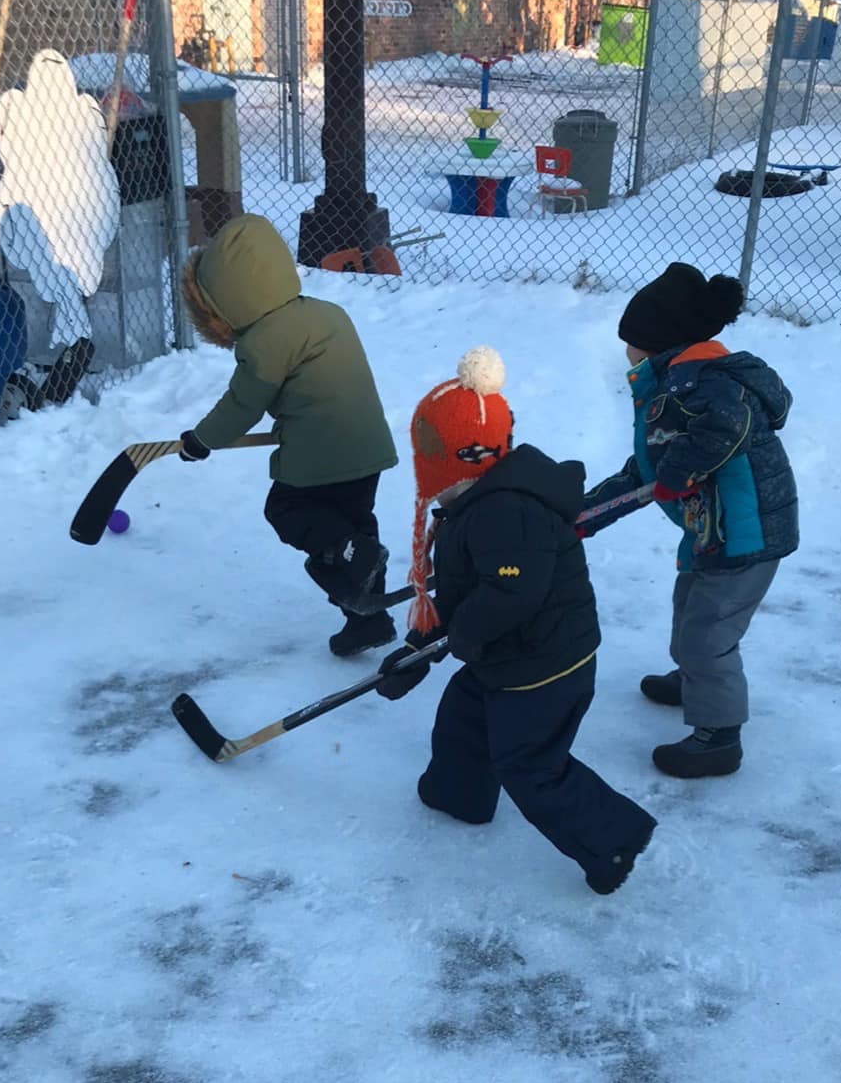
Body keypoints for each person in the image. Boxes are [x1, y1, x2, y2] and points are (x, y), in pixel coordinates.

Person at [375, 348, 656, 896]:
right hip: (510, 653)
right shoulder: (474, 502)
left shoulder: (506, 512)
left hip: (546, 664)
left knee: (530, 764)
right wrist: (418, 647)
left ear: (462, 460)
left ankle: (614, 837)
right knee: (465, 716)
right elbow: (468, 593)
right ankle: (458, 797)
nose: (431, 487)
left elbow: (511, 590)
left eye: (434, 466)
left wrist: (462, 636)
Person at [586, 263, 798, 778]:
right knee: (690, 610)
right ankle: (695, 680)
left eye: (631, 343)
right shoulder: (676, 383)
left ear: (659, 343)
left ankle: (719, 737)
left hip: (745, 533)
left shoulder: (705, 384)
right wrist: (583, 515)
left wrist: (678, 474)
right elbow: (650, 467)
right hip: (712, 529)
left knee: (709, 632)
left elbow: (727, 430)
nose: (626, 353)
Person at [178, 214, 399, 656]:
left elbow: (242, 405)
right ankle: (367, 618)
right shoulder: (325, 312)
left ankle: (351, 554)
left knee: (288, 510)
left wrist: (201, 440)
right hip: (368, 448)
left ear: (222, 303)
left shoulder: (264, 341)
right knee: (355, 534)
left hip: (322, 452)